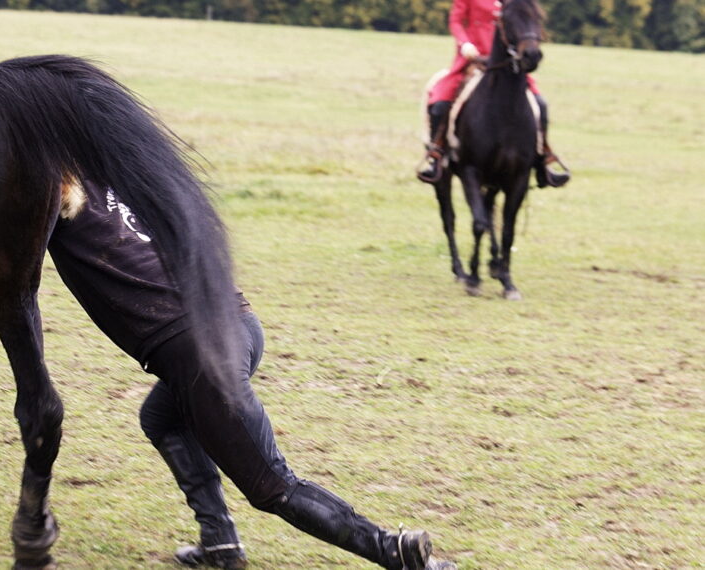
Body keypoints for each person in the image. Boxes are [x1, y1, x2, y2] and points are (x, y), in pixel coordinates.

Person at [47, 180, 456, 569]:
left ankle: (394, 550)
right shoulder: (109, 180)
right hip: (237, 323)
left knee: (273, 486)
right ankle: (219, 538)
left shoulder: (52, 195)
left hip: (201, 352)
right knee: (162, 418)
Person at [416, 0, 569, 188]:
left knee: (540, 104)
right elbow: (456, 21)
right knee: (440, 103)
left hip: (508, 63)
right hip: (474, 59)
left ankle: (542, 159)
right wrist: (465, 44)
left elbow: (527, 20)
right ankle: (437, 155)